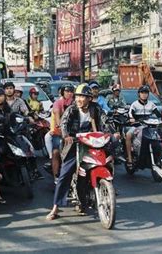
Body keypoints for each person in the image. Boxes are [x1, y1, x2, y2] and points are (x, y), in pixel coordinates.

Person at [46, 84, 103, 220]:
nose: (79, 99)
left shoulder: (96, 109)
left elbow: (105, 122)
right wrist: (66, 136)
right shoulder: (71, 110)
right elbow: (64, 123)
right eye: (77, 96)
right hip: (74, 144)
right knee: (65, 175)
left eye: (82, 96)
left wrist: (112, 133)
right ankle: (55, 207)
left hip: (92, 144)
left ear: (89, 98)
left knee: (107, 161)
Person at [125, 85, 162, 170]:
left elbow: (158, 114)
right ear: (139, 94)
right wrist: (132, 119)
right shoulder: (134, 104)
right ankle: (130, 159)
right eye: (142, 93)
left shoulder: (151, 104)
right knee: (128, 135)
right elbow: (130, 114)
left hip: (149, 127)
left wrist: (161, 119)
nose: (144, 95)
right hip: (137, 125)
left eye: (146, 93)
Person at [44, 84, 74, 181]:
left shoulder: (75, 103)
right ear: (62, 92)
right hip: (59, 132)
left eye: (71, 91)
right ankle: (56, 176)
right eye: (67, 91)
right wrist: (60, 126)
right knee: (56, 151)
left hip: (73, 132)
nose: (69, 93)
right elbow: (57, 117)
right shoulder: (58, 103)